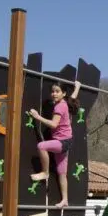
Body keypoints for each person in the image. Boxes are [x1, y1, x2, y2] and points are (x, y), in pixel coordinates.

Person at [28, 80, 81, 208]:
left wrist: (37, 116)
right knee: (62, 172)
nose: (54, 94)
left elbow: (53, 124)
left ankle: (45, 172)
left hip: (62, 142)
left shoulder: (59, 106)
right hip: (66, 141)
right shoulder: (66, 102)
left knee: (41, 146)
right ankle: (65, 200)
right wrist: (77, 87)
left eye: (57, 91)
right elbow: (73, 96)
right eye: (52, 91)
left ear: (63, 93)